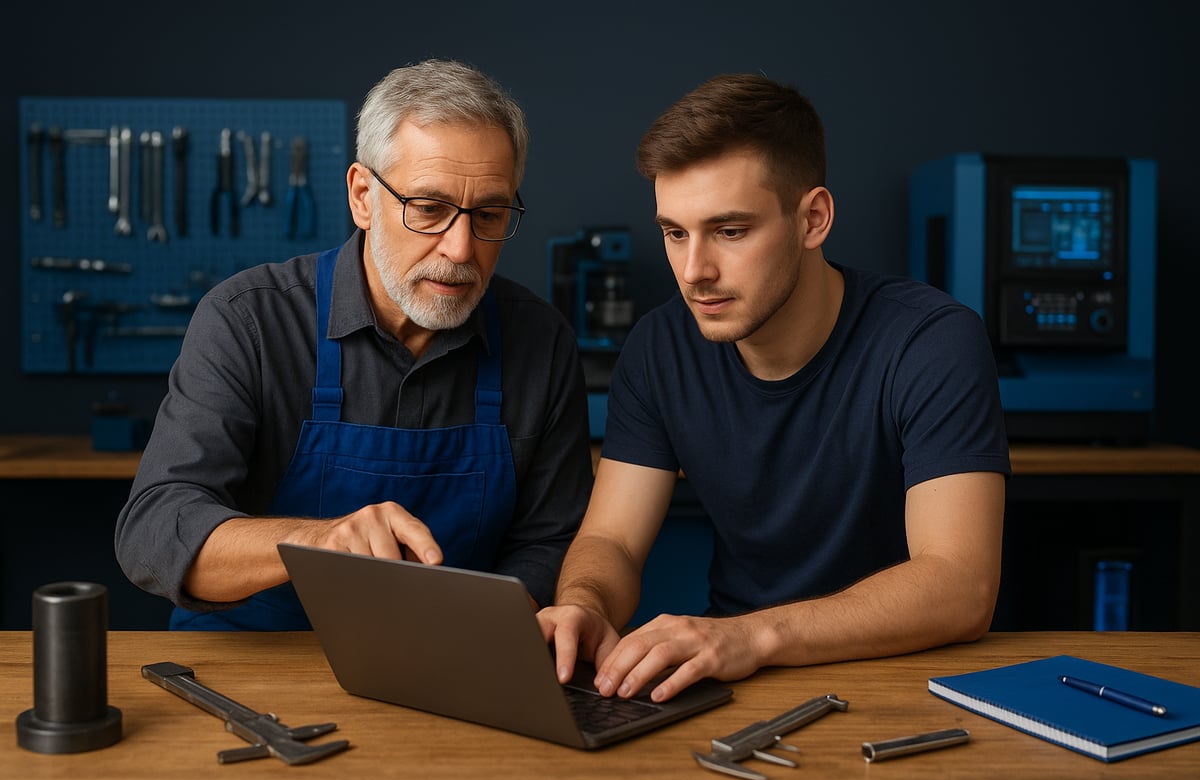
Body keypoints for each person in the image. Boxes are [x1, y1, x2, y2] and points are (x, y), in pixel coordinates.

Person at [537, 73, 1010, 702]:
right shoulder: (658, 348)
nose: (694, 271)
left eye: (730, 231)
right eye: (675, 233)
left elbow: (960, 586)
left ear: (813, 218)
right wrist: (585, 605)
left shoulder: (931, 342)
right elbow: (611, 539)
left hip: (906, 676)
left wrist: (751, 637)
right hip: (740, 681)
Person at [115, 59, 593, 630]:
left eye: (488, 214)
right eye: (430, 209)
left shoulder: (540, 341)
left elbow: (550, 541)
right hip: (255, 664)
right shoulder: (249, 321)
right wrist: (316, 540)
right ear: (363, 196)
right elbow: (154, 530)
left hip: (451, 663)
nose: (462, 249)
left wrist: (499, 633)